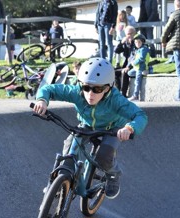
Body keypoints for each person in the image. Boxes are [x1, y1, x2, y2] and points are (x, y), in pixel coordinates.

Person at [32, 57, 148, 199]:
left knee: (104, 156)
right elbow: (48, 89)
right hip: (87, 125)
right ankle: (61, 179)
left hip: (112, 128)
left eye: (97, 89)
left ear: (107, 88)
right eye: (86, 87)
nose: (90, 94)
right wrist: (42, 100)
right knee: (69, 148)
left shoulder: (115, 100)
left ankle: (113, 174)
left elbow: (140, 115)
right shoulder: (77, 92)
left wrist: (130, 128)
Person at [126, 34, 150, 101]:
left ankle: (135, 96)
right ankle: (144, 73)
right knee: (129, 73)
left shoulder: (144, 49)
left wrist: (134, 62)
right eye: (136, 42)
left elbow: (141, 58)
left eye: (139, 42)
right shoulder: (138, 50)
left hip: (141, 68)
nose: (137, 44)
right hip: (136, 69)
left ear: (142, 42)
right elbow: (134, 58)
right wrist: (131, 61)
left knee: (137, 81)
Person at [115, 26, 137, 97]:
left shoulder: (137, 43)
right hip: (124, 65)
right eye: (128, 34)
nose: (129, 36)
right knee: (114, 72)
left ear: (134, 34)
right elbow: (116, 50)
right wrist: (121, 43)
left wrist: (129, 66)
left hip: (132, 66)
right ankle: (117, 92)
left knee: (125, 72)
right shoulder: (125, 43)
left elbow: (135, 57)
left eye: (131, 34)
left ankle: (123, 93)